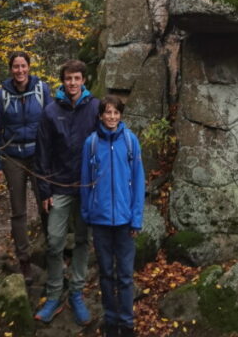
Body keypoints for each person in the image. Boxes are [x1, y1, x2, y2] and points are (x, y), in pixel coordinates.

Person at [34, 58, 100, 325]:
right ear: (62, 81)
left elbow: (104, 147)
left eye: (77, 78)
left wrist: (99, 186)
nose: (72, 83)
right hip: (59, 186)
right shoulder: (50, 112)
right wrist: (45, 190)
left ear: (83, 80)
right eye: (68, 79)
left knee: (83, 240)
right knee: (54, 241)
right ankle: (53, 293)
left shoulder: (95, 108)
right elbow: (42, 153)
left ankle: (76, 293)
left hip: (86, 187)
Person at [80, 95, 144, 337]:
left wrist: (136, 218)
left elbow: (138, 181)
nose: (112, 117)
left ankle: (127, 323)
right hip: (100, 221)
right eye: (108, 113)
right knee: (106, 274)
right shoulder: (91, 143)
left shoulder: (130, 141)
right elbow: (85, 181)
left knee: (125, 275)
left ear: (121, 115)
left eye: (116, 113)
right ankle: (111, 320)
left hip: (126, 222)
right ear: (100, 115)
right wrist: (87, 213)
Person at [0, 51, 52, 283]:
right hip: (12, 156)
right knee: (18, 210)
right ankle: (24, 260)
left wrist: (52, 156)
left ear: (29, 67)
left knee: (47, 203)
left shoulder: (41, 90)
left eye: (23, 66)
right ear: (11, 69)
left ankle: (52, 253)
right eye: (16, 66)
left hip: (38, 155)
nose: (20, 70)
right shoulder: (1, 95)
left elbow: (52, 121)